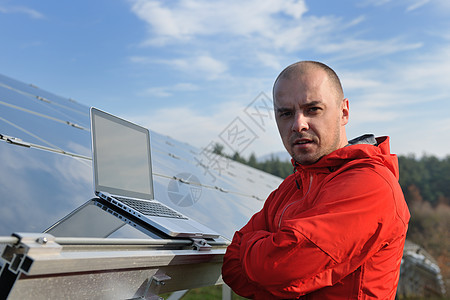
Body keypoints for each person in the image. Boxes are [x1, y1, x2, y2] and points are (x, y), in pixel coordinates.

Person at [221, 61, 410, 299]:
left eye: (313, 109)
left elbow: (277, 268)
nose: (298, 124)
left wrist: (260, 253)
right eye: (286, 113)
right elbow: (231, 267)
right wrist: (270, 257)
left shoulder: (370, 185)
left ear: (344, 112)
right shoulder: (291, 186)